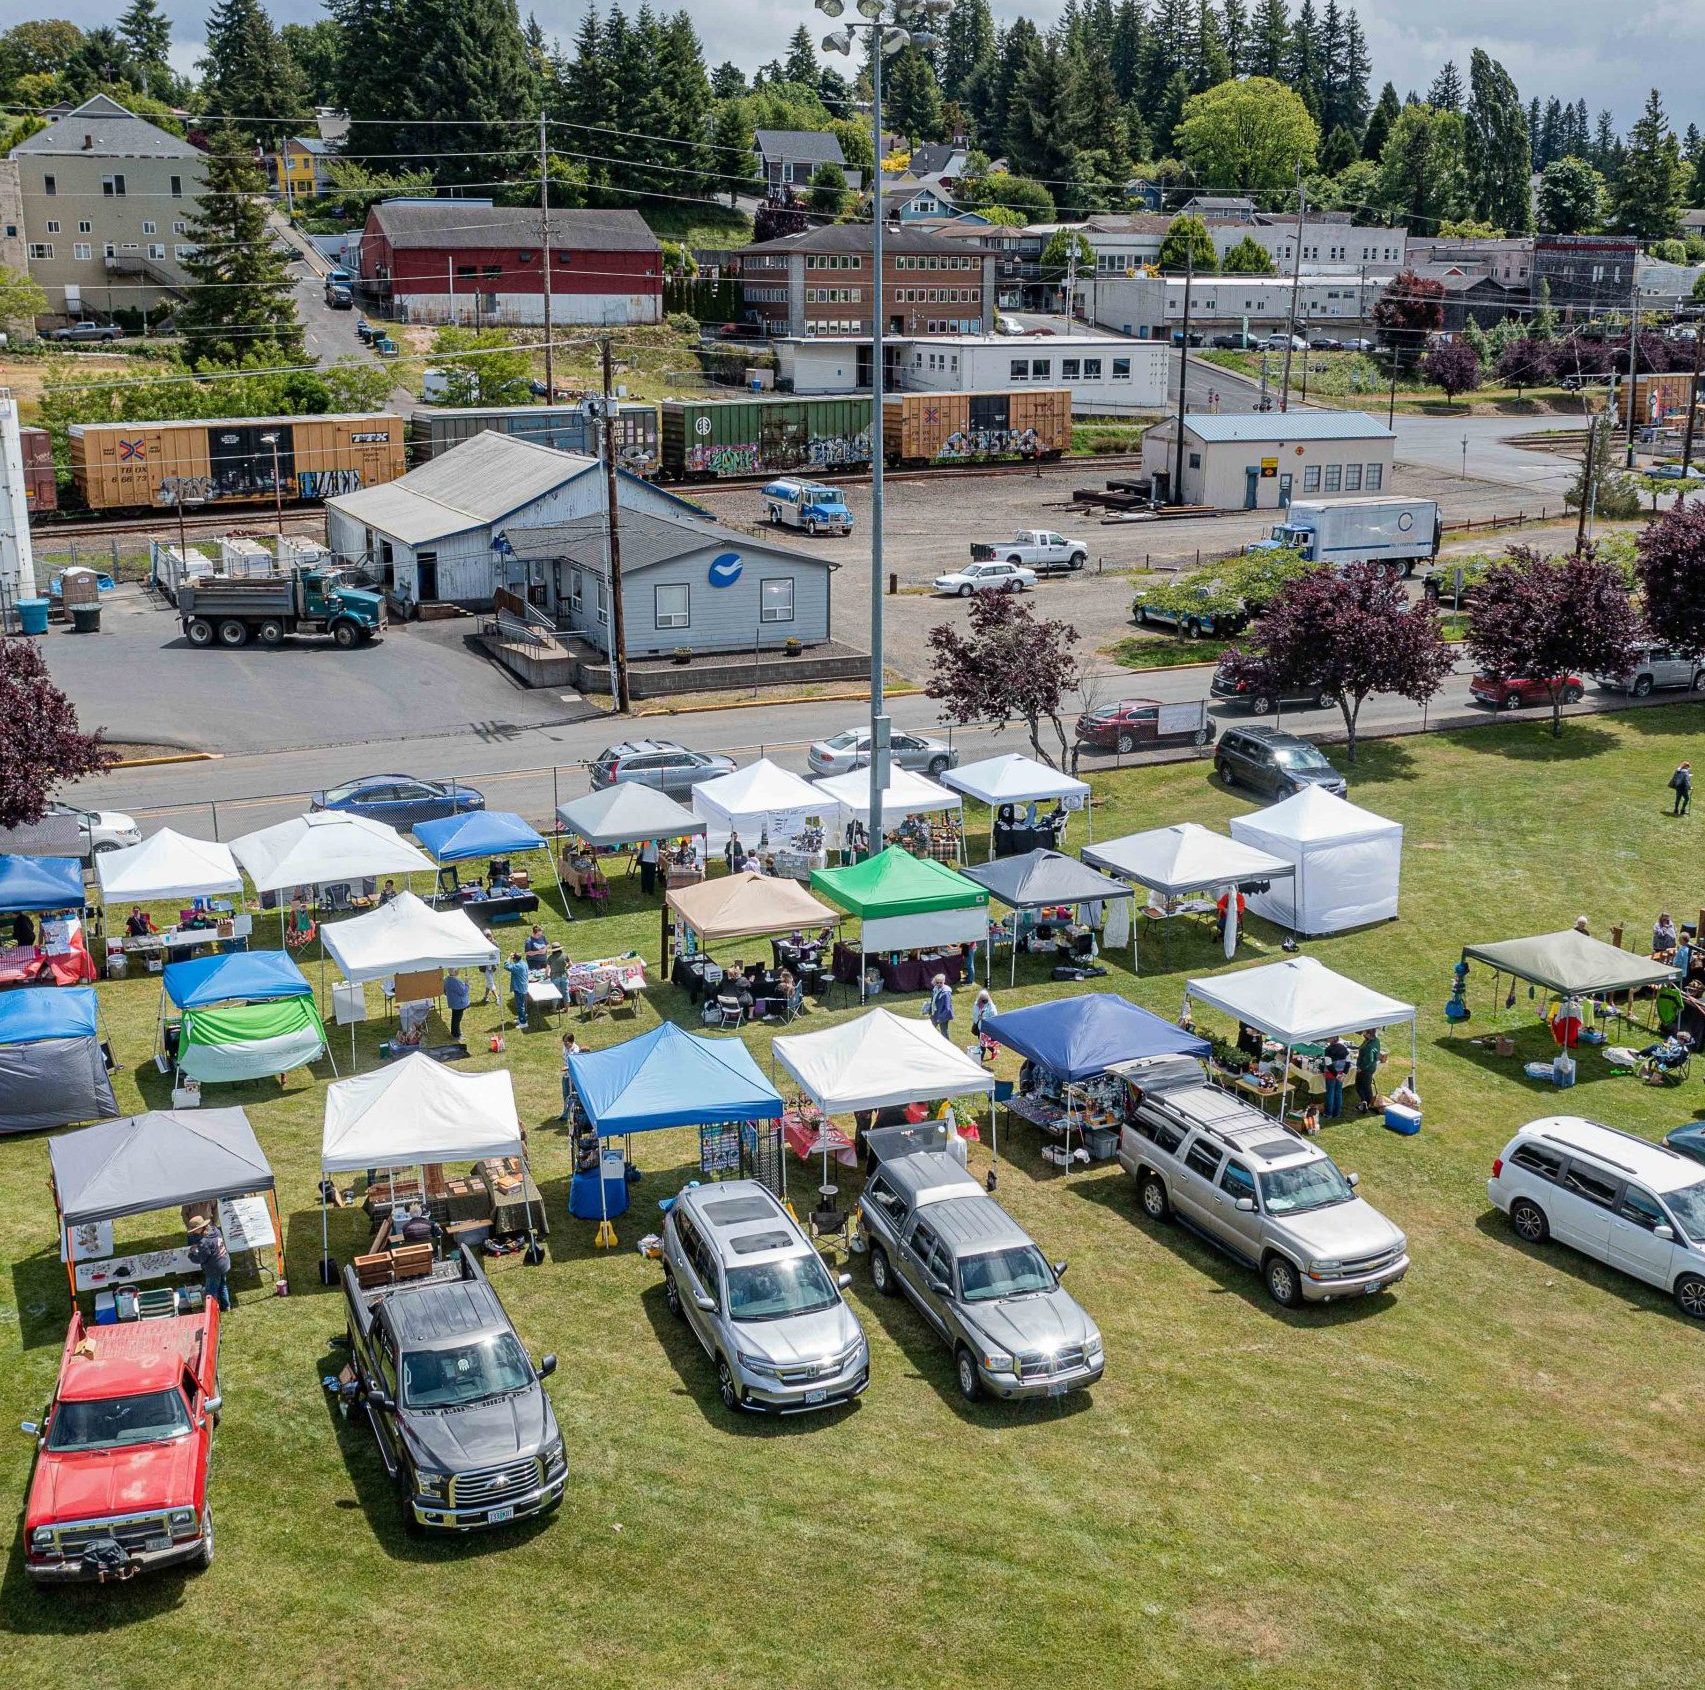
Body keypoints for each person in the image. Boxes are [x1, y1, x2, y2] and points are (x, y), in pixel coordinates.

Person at [186, 1214, 231, 1312]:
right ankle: (226, 1306)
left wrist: (191, 1255)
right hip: (224, 1262)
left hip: (214, 1269)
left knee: (211, 1291)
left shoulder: (204, 1242)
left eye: (194, 1230)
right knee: (222, 1285)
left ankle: (213, 1312)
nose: (193, 1232)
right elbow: (212, 1246)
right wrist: (199, 1247)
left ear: (200, 1228)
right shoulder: (215, 1230)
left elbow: (201, 1259)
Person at [1322, 1035, 1351, 1119]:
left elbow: (1329, 1065)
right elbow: (1348, 1062)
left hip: (1331, 1074)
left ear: (1332, 1039)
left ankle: (1328, 1113)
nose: (1327, 1038)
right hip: (1341, 1074)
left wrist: (1336, 1075)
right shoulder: (1344, 1048)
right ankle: (1337, 1113)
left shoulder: (1328, 1050)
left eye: (1329, 1037)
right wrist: (1344, 1074)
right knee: (1338, 1092)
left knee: (1330, 1093)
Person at [1355, 1029, 1382, 1113]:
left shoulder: (1369, 1046)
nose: (1363, 1034)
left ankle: (1365, 1104)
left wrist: (1361, 1068)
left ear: (1369, 1034)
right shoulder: (1375, 1040)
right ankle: (1366, 1103)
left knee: (1361, 1086)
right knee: (1366, 1086)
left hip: (1365, 1069)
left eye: (1365, 1033)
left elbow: (1369, 1059)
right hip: (1370, 1068)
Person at [443, 968, 470, 1041]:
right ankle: (456, 1035)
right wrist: (467, 983)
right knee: (457, 1020)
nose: (458, 971)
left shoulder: (446, 979)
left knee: (455, 1019)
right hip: (458, 1004)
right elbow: (463, 992)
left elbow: (445, 991)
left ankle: (455, 1033)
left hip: (453, 1002)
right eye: (457, 970)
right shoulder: (455, 981)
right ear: (455, 972)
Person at [507, 950, 530, 1029]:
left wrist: (509, 957)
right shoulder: (524, 963)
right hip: (523, 987)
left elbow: (506, 966)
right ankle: (521, 1018)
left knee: (520, 1006)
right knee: (521, 1005)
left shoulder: (517, 966)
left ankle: (523, 1023)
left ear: (514, 959)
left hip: (519, 988)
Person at [929, 972, 954, 1039]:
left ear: (944, 981)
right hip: (935, 1013)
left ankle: (947, 1044)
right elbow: (933, 1000)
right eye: (937, 982)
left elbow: (947, 1008)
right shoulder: (935, 989)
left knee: (944, 1031)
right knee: (930, 1028)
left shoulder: (946, 993)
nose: (939, 984)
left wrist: (940, 1018)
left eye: (941, 982)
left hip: (943, 1014)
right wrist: (930, 1009)